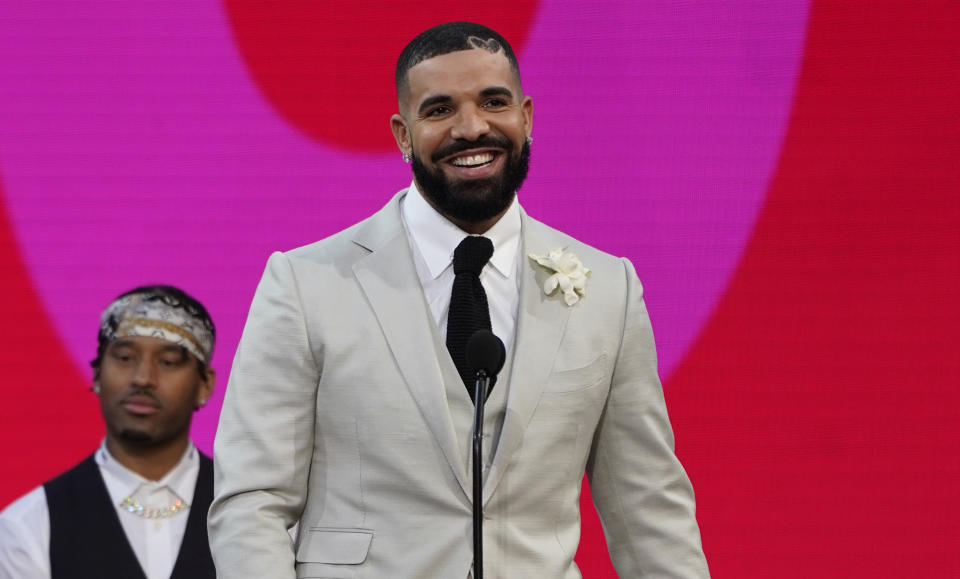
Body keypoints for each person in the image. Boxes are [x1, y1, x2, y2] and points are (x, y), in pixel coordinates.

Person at [209, 21, 709, 578]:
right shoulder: (306, 283)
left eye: (493, 102)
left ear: (526, 117)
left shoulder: (608, 288)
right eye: (440, 109)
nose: (472, 129)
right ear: (402, 134)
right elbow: (252, 500)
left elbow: (647, 505)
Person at [0, 285, 218, 579]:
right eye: (125, 358)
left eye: (167, 362)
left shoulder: (255, 512)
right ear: (97, 374)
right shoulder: (28, 527)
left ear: (204, 384)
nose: (143, 378)